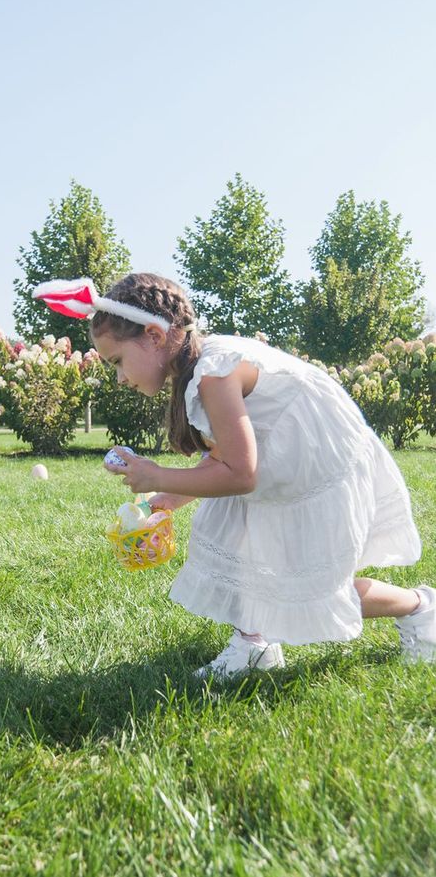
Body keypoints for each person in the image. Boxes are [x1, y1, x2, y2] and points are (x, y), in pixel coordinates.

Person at [33, 274, 432, 679]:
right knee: (248, 562)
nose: (119, 377)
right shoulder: (200, 369)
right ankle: (254, 644)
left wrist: (157, 475)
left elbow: (241, 475)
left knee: (314, 589)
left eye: (117, 361)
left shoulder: (213, 373)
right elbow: (224, 456)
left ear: (154, 336)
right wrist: (171, 498)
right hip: (290, 469)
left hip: (320, 470)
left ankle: (419, 607)